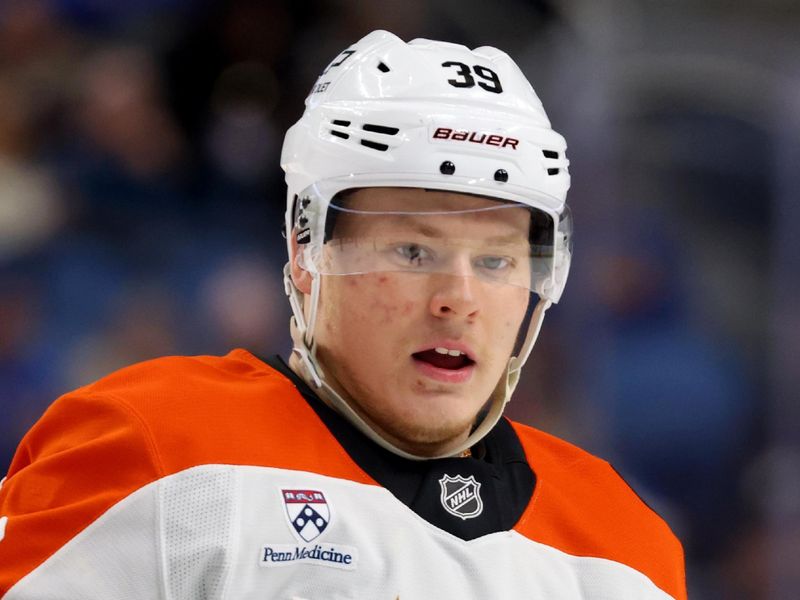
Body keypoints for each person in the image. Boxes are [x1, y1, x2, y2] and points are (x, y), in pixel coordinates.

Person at [0, 30, 686, 599]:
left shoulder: (624, 544)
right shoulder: (152, 449)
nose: (459, 298)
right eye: (414, 250)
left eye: (497, 261)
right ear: (306, 250)